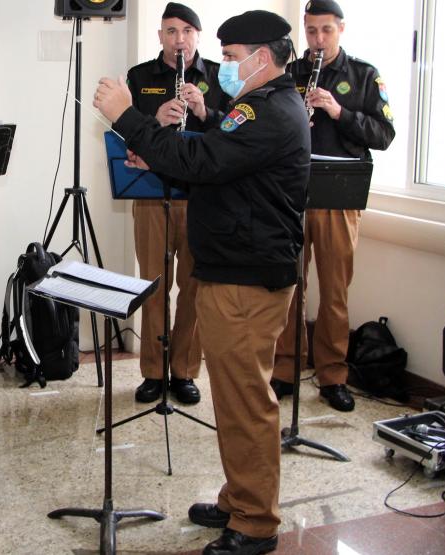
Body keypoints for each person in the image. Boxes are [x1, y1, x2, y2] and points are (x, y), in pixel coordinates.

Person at [94, 10, 309, 554]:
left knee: (245, 400)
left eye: (233, 59)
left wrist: (128, 118)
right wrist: (169, 142)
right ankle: (240, 498)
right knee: (234, 397)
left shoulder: (271, 110)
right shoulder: (255, 106)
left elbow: (205, 158)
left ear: (263, 58)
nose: (227, 68)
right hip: (232, 268)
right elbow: (215, 158)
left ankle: (256, 523)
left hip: (248, 277)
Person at [271, 0, 395, 412]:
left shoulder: (364, 74)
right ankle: (287, 368)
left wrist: (338, 111)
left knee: (335, 292)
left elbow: (383, 133)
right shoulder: (291, 73)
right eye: (311, 31)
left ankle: (332, 375)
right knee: (290, 287)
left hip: (339, 198)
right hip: (292, 195)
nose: (318, 40)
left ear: (341, 28)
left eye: (326, 30)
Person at [125, 2, 229, 405]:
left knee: (194, 286)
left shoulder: (221, 76)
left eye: (186, 31)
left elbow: (235, 134)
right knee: (153, 284)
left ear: (198, 37)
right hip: (151, 193)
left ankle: (184, 370)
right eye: (170, 31)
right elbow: (122, 134)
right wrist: (157, 122)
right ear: (160, 37)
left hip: (202, 196)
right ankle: (152, 370)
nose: (179, 39)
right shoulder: (139, 77)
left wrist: (204, 110)